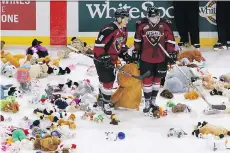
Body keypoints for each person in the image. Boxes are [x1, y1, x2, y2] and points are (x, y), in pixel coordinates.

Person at [132, 6, 177, 114]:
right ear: (148, 17)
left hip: (161, 57)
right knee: (147, 80)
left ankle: (153, 101)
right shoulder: (141, 25)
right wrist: (137, 51)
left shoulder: (165, 24)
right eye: (152, 17)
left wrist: (171, 53)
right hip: (146, 58)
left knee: (157, 80)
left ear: (159, 16)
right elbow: (137, 40)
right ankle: (147, 102)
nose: (154, 19)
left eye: (156, 17)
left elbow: (170, 40)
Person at [93, 8, 132, 115]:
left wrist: (124, 54)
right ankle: (106, 104)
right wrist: (103, 58)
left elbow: (121, 45)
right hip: (101, 59)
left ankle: (101, 99)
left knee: (105, 80)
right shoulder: (109, 29)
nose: (127, 21)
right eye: (125, 19)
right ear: (119, 18)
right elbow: (98, 46)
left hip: (112, 60)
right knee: (108, 81)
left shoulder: (124, 30)